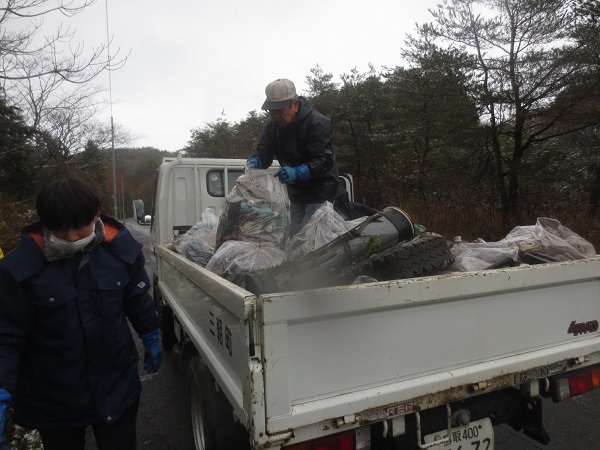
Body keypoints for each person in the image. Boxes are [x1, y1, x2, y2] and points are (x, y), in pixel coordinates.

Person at [0, 178, 162, 450]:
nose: (72, 238)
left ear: (96, 215)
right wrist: (2, 389)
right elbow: (7, 335)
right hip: (55, 397)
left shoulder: (119, 250)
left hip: (116, 384)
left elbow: (135, 298)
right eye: (61, 232)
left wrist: (151, 331)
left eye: (79, 228)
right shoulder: (20, 269)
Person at [247, 78, 340, 235]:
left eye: (280, 111)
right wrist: (257, 160)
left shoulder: (316, 123)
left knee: (309, 237)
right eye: (272, 111)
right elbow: (265, 149)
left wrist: (298, 172)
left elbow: (324, 160)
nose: (275, 116)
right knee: (296, 235)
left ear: (295, 105)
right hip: (296, 193)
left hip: (321, 191)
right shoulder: (272, 126)